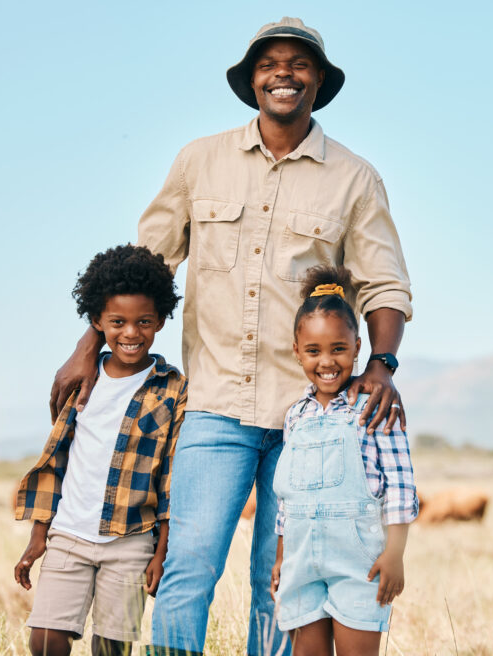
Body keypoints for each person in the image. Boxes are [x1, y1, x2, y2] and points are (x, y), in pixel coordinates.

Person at [50, 17, 413, 656]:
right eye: (271, 62)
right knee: (188, 566)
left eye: (300, 64)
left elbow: (385, 287)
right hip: (214, 406)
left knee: (279, 579)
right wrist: (88, 347)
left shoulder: (356, 178)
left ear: (319, 81)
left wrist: (380, 365)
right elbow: (144, 267)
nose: (284, 73)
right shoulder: (199, 161)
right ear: (251, 80)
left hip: (311, 421)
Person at [14, 244, 187, 656]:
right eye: (118, 322)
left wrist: (161, 553)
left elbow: (170, 481)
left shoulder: (173, 389)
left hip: (130, 543)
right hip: (69, 536)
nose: (131, 333)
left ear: (161, 320)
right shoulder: (82, 380)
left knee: (112, 647)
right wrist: (39, 537)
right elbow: (54, 462)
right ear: (98, 322)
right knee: (45, 640)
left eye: (144, 321)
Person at [271, 266, 417, 656]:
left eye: (338, 349)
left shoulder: (374, 405)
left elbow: (400, 487)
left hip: (359, 563)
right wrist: (282, 556)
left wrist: (395, 554)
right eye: (314, 351)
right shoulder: (295, 416)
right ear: (297, 351)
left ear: (357, 348)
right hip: (301, 562)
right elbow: (286, 496)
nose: (327, 362)